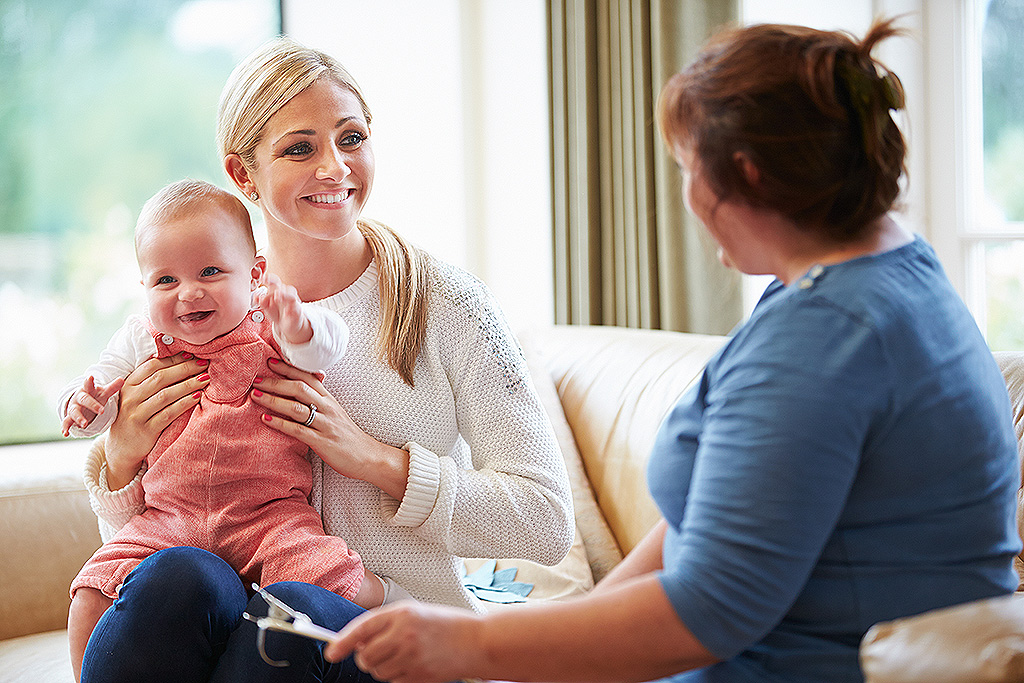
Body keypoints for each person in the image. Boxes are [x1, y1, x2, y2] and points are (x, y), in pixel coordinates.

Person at [323, 18, 1022, 683]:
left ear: (744, 174)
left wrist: (468, 643)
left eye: (688, 166)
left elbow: (708, 609)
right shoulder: (884, 274)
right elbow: (705, 528)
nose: (685, 195)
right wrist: (551, 644)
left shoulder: (823, 342)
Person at [76, 37, 574, 683]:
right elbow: (141, 539)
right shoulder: (192, 304)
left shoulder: (447, 305)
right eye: (300, 147)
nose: (335, 167)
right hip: (224, 625)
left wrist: (375, 461)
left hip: (391, 633)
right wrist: (120, 459)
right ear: (242, 174)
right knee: (177, 575)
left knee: (289, 615)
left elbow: (546, 524)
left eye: (352, 137)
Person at [59, 179, 404, 681]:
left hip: (266, 515)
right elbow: (106, 390)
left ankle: (393, 599)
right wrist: (83, 401)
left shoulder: (270, 324)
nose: (189, 293)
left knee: (332, 576)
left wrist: (300, 327)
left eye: (211, 272)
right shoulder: (141, 337)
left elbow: (328, 347)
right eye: (165, 281)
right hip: (168, 520)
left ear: (255, 274)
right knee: (91, 591)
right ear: (144, 289)